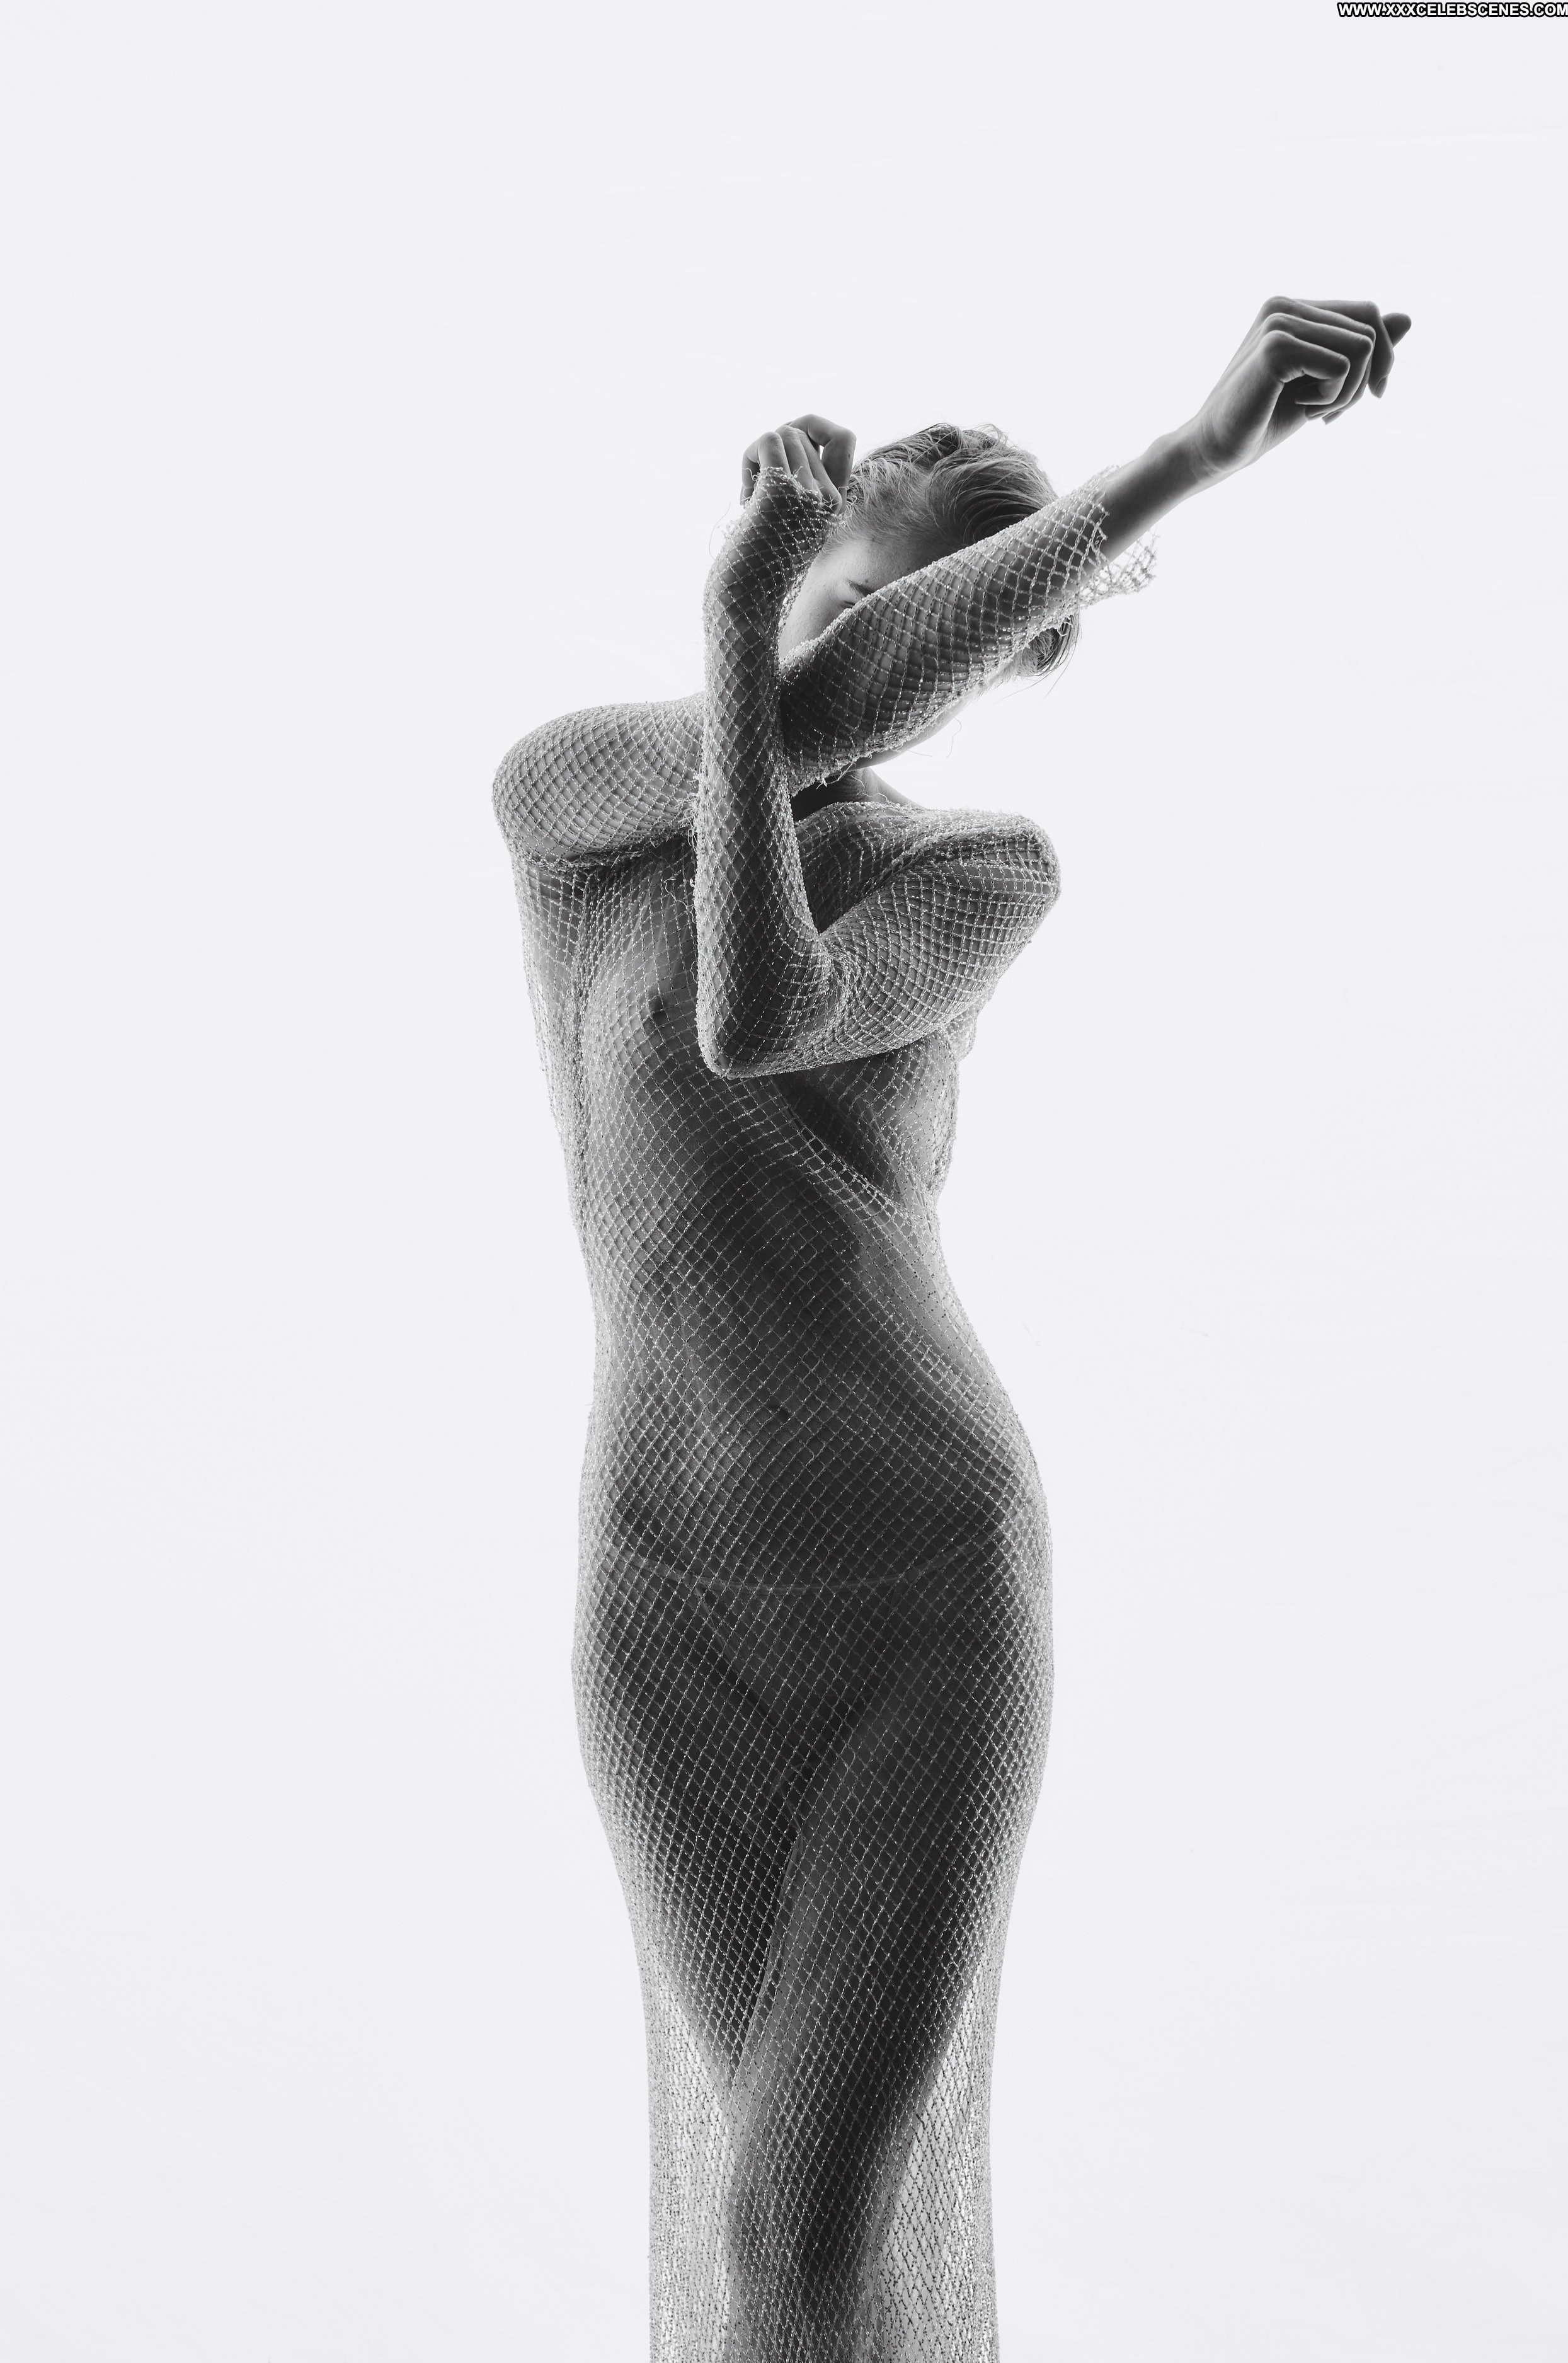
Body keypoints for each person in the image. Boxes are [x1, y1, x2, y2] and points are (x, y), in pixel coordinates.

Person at [495, 297, 1410, 2363]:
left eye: (986, 550)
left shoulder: (981, 862)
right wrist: (750, 638)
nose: (942, 438)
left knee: (808, 2220)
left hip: (924, 1571)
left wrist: (1180, 467)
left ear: (1004, 640)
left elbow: (761, 1019)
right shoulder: (571, 802)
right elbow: (784, 732)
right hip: (658, 1579)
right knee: (746, 2228)